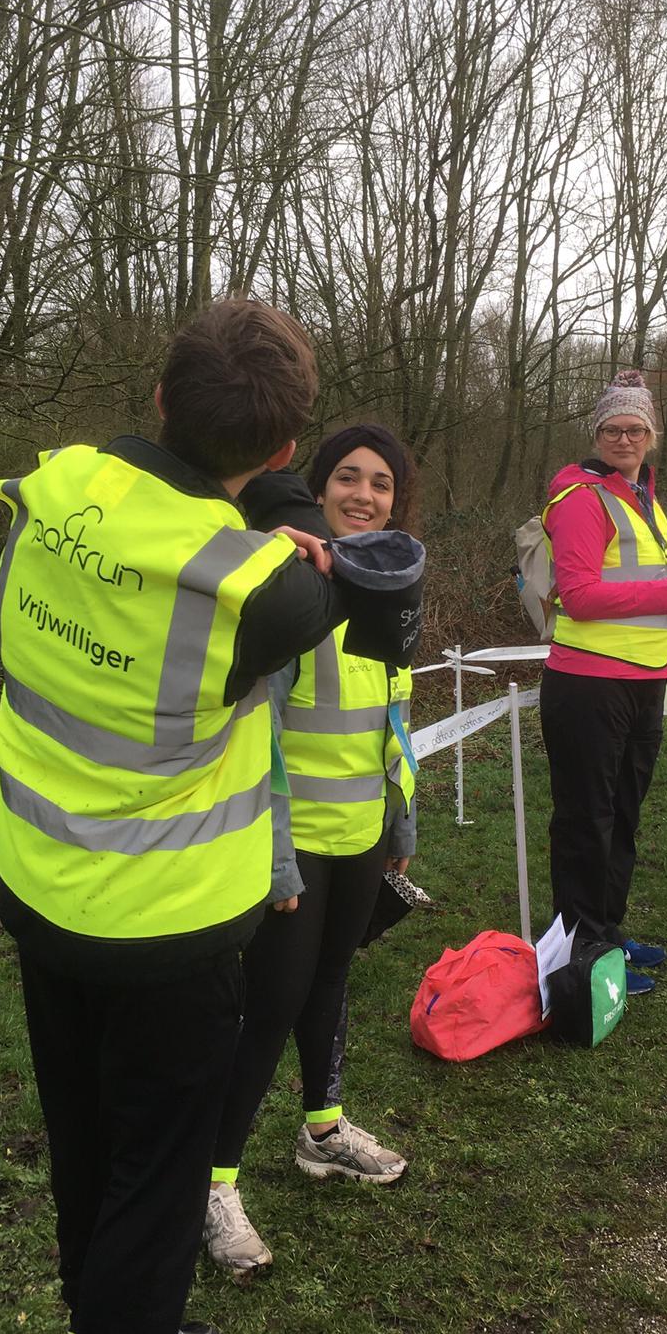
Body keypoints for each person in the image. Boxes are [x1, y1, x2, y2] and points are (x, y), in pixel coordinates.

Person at [0, 301, 418, 1334]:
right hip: (172, 936)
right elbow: (321, 566)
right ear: (288, 454)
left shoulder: (53, 485)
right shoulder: (266, 593)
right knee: (158, 1187)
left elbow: (222, 502)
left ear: (162, 398)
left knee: (86, 1148)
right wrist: (294, 522)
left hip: (40, 896)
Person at [204, 424, 419, 1274]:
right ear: (318, 490)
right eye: (348, 479)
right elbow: (259, 740)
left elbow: (393, 719)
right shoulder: (293, 589)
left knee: (331, 984)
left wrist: (399, 822)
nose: (365, 496)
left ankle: (322, 1130)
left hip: (362, 834)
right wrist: (277, 859)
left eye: (382, 486)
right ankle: (212, 1184)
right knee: (270, 1008)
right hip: (294, 850)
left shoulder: (395, 587)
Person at [538, 368, 667, 992]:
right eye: (611, 428)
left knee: (622, 815)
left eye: (635, 428)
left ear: (651, 435)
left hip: (645, 678)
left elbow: (634, 575)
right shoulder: (579, 498)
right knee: (587, 821)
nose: (624, 438)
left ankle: (608, 933)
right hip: (589, 685)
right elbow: (578, 594)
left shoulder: (641, 497)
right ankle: (581, 948)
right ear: (595, 433)